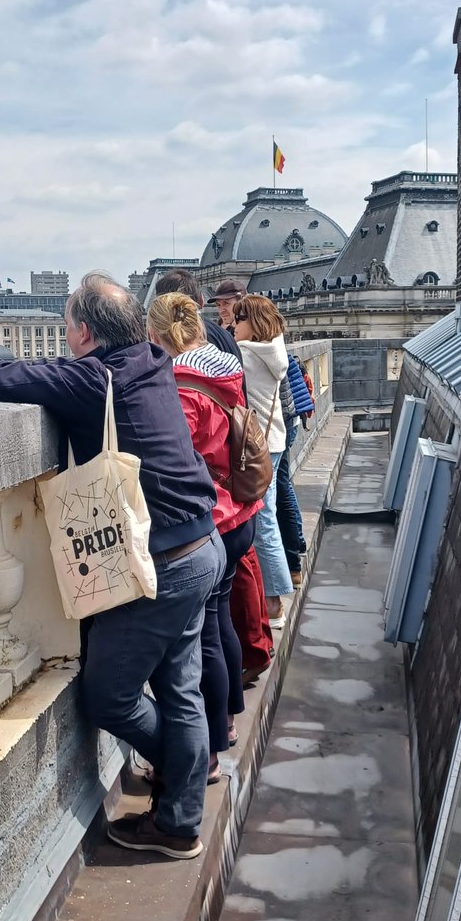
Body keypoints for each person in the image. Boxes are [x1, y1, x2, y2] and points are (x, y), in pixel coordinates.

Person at [0, 271, 223, 861]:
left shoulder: (92, 376)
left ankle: (183, 792)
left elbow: (1, 378)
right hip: (201, 545)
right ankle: (180, 807)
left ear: (81, 332)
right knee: (179, 689)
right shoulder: (151, 359)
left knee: (108, 697)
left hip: (159, 566)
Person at [147, 293, 259, 769]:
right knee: (221, 624)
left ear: (155, 336)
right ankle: (229, 716)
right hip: (242, 512)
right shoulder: (224, 366)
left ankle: (212, 743)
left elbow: (177, 455)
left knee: (206, 635)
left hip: (213, 515)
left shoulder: (182, 385)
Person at [232, 294, 293, 622]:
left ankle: (273, 602)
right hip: (274, 440)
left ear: (253, 324)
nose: (233, 325)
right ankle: (272, 597)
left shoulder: (245, 355)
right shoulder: (275, 351)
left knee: (263, 521)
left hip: (255, 446)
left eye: (239, 319)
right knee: (266, 517)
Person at [275, 354, 313, 586]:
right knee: (284, 484)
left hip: (281, 427)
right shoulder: (278, 349)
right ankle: (297, 543)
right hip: (289, 423)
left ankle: (292, 564)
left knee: (280, 489)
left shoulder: (264, 349)